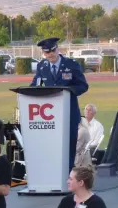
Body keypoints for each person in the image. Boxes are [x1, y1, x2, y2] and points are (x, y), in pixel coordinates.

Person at [30, 37, 89, 171]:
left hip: (69, 112)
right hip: (50, 115)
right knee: (52, 146)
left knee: (69, 145)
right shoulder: (42, 66)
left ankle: (68, 175)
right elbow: (35, 84)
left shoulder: (71, 65)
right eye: (46, 53)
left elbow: (83, 85)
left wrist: (68, 91)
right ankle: (54, 173)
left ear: (57, 49)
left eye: (52, 51)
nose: (50, 55)